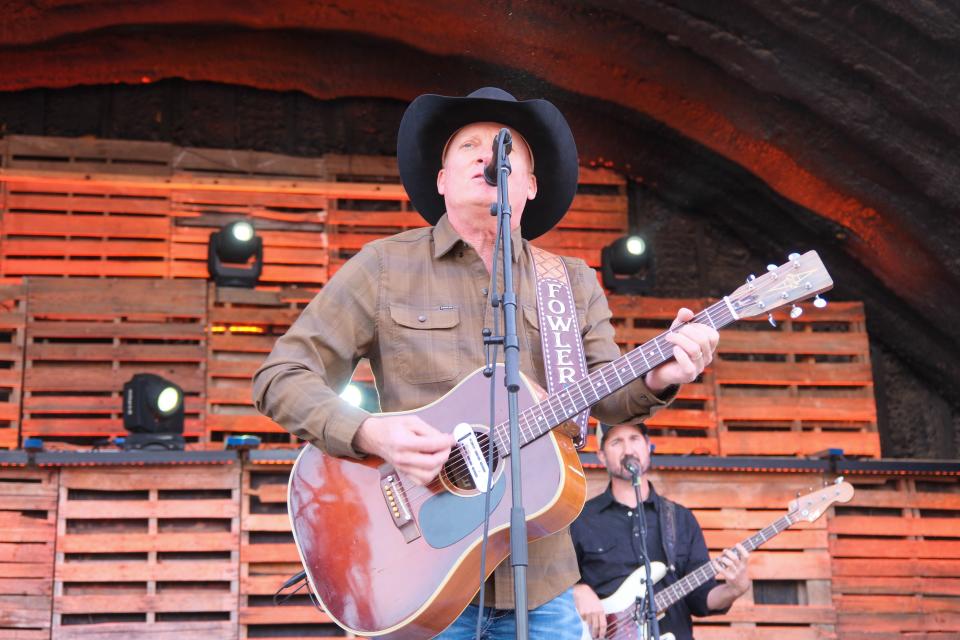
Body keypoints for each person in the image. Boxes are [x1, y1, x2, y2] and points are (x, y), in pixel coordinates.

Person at [252, 87, 719, 640]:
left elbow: (603, 392)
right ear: (442, 179)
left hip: (543, 581)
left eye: (504, 148)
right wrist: (371, 431)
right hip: (418, 580)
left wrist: (662, 372)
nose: (485, 154)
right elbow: (280, 377)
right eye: (467, 145)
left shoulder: (568, 281)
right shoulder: (384, 266)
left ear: (530, 184)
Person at [571, 422, 751, 640]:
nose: (628, 450)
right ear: (601, 456)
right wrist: (575, 591)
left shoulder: (681, 519)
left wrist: (734, 589)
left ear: (648, 446)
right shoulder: (581, 520)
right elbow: (552, 585)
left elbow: (702, 599)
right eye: (616, 442)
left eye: (634, 439)